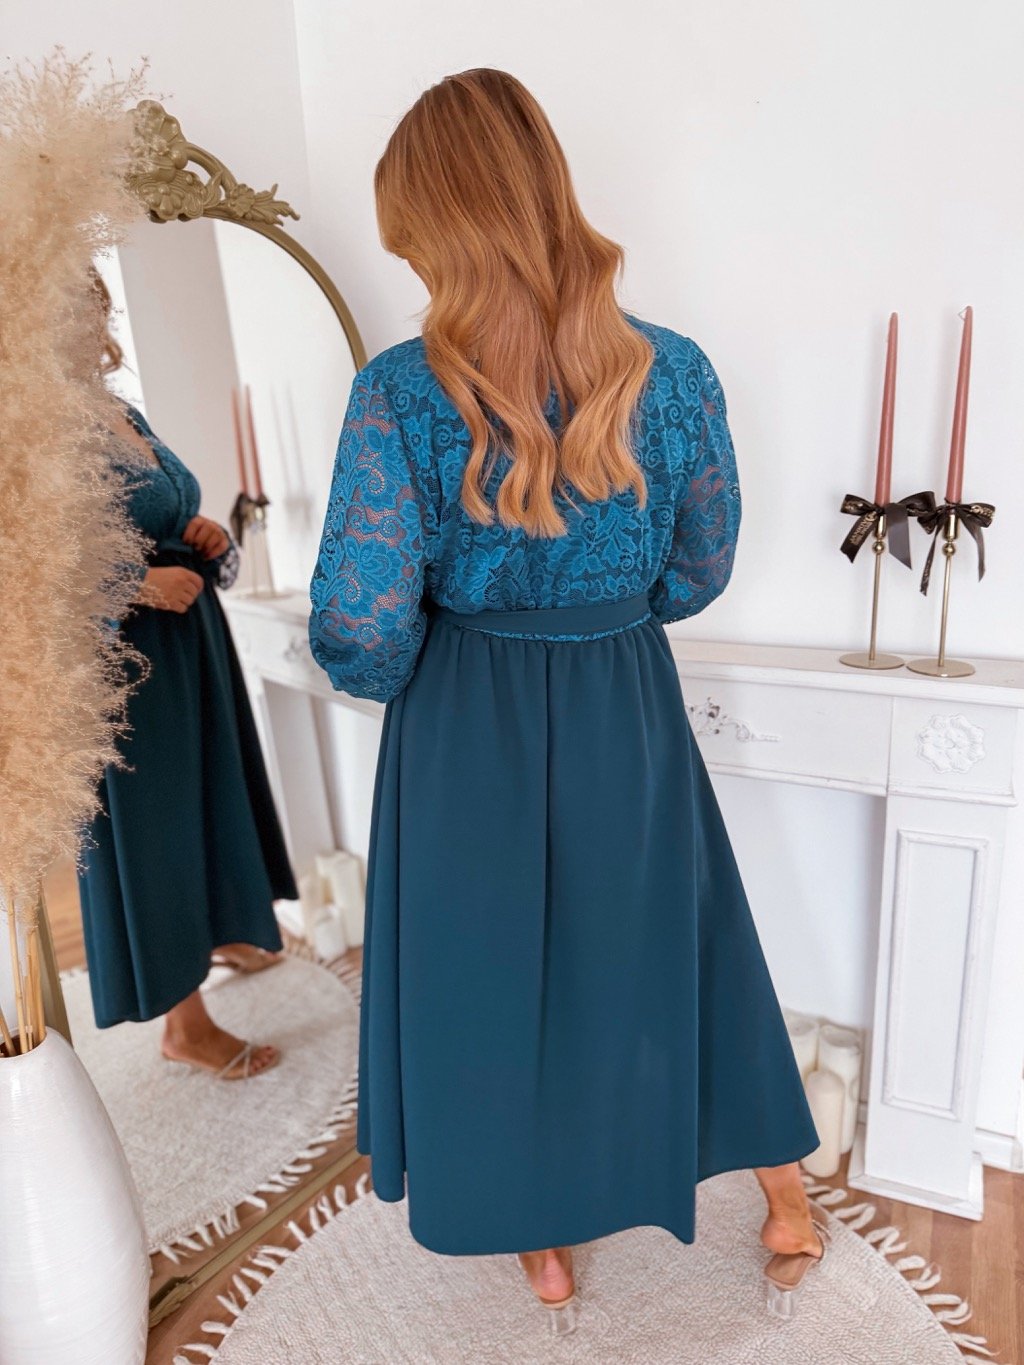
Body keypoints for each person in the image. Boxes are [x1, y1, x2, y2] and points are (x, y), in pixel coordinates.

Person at [309, 68, 825, 1329]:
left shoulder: (400, 393)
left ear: (435, 225)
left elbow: (361, 625)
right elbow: (700, 565)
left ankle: (537, 1232)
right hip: (620, 698)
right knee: (681, 941)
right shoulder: (672, 371)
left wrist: (415, 673)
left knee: (490, 973)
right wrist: (603, 626)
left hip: (466, 719)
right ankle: (783, 1194)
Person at [77, 273, 297, 1080]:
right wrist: (134, 585)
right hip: (130, 655)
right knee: (159, 826)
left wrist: (202, 533)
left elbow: (159, 513)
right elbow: (23, 562)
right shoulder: (27, 419)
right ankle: (185, 1022)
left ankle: (227, 927)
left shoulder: (119, 411)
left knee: (210, 795)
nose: (88, 318)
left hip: (191, 638)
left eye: (92, 301)